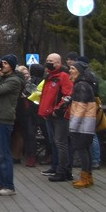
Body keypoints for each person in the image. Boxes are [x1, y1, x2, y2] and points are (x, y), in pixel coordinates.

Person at [0, 55, 24, 196]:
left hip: (4, 120)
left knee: (4, 153)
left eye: (6, 63)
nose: (2, 65)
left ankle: (9, 186)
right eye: (2, 63)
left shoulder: (14, 80)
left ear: (12, 66)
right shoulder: (0, 77)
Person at [39, 53, 74, 182]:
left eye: (51, 61)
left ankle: (63, 171)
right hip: (49, 114)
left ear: (59, 63)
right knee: (55, 142)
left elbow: (68, 95)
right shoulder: (50, 76)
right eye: (47, 60)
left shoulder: (62, 77)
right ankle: (60, 168)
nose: (48, 63)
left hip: (59, 116)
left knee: (60, 143)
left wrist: (58, 110)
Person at [68, 61, 98, 188]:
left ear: (79, 71)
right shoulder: (85, 84)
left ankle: (85, 178)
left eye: (73, 68)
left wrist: (73, 125)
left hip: (82, 124)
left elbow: (80, 106)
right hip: (87, 123)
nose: (70, 70)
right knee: (85, 150)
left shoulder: (80, 85)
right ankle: (88, 176)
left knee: (82, 150)